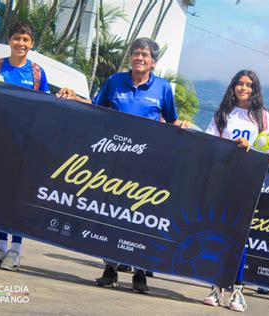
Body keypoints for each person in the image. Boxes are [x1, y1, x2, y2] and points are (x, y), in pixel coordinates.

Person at [57, 37, 190, 293]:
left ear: (153, 61)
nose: (139, 58)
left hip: (146, 164)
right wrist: (72, 98)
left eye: (145, 55)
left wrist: (181, 124)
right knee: (111, 213)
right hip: (114, 161)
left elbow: (172, 121)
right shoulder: (114, 81)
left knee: (140, 217)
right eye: (136, 53)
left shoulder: (162, 88)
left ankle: (140, 272)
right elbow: (96, 109)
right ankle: (110, 269)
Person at [0, 21, 50, 271]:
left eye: (25, 40)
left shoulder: (37, 72)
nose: (21, 44)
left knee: (19, 197)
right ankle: (0, 248)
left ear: (32, 44)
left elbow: (46, 105)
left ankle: (15, 251)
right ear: (9, 40)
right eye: (17, 38)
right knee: (1, 195)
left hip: (26, 143)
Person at [204, 69, 269, 312]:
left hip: (250, 182)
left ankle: (238, 290)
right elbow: (209, 144)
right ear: (233, 87)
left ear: (255, 89)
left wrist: (253, 151)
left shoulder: (263, 118)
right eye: (239, 83)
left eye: (249, 85)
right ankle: (216, 287)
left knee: (241, 236)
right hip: (223, 181)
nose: (244, 88)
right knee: (220, 233)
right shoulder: (222, 114)